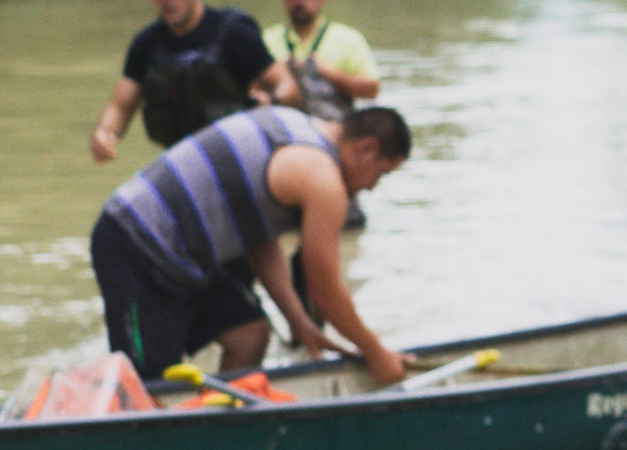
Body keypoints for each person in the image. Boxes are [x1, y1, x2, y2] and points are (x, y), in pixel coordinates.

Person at [91, 104, 413, 384]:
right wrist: (376, 354)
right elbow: (325, 289)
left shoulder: (293, 122)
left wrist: (299, 322)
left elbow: (260, 241)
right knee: (144, 380)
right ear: (367, 149)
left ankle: (221, 433)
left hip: (186, 254)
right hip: (134, 241)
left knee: (249, 335)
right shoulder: (323, 178)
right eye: (381, 174)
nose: (371, 187)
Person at [90, 0, 294, 162]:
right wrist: (105, 133)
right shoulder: (146, 45)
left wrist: (271, 99)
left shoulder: (233, 34)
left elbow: (288, 85)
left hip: (239, 155)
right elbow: (120, 107)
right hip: (179, 161)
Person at [264, 0, 382, 125]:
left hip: (333, 126)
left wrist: (328, 73)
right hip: (280, 125)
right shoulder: (267, 39)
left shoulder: (347, 38)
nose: (298, 1)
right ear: (284, 0)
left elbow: (372, 89)